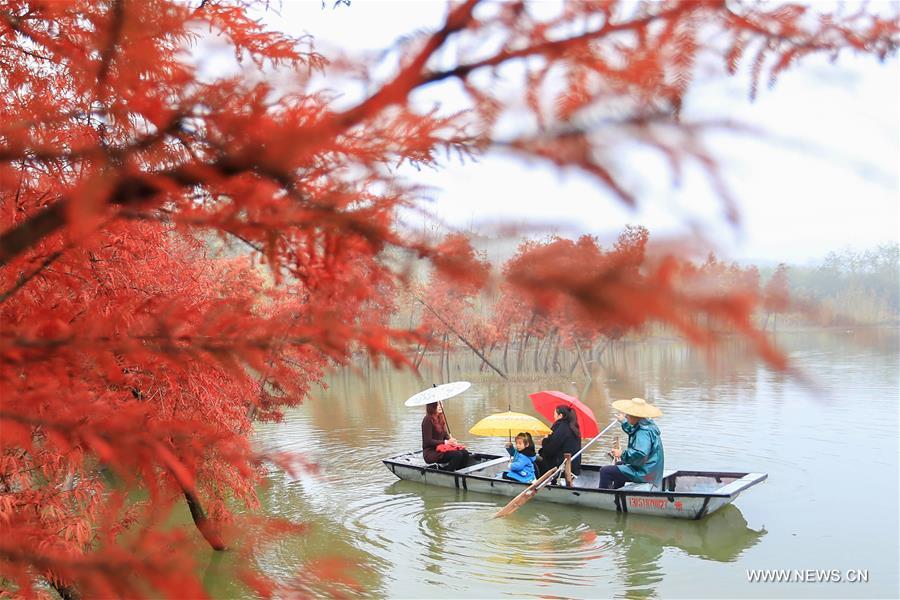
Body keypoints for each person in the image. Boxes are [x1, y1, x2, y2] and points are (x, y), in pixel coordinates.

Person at [599, 397, 664, 490]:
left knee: (605, 471)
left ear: (635, 416)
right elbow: (633, 430)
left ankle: (603, 496)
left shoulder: (643, 432)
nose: (626, 416)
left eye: (628, 415)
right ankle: (617, 491)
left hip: (646, 473)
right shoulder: (647, 425)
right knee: (619, 465)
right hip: (651, 469)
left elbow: (641, 454)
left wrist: (622, 453)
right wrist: (623, 422)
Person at [536, 405, 582, 478]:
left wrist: (544, 441)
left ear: (560, 415)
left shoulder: (560, 427)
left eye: (554, 414)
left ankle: (538, 482)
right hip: (574, 466)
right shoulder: (574, 428)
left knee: (535, 460)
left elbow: (550, 450)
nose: (554, 416)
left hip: (561, 467)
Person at [421, 402, 470, 471]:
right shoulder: (427, 420)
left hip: (442, 448)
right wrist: (446, 442)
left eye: (441, 404)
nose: (440, 406)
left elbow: (445, 435)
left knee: (465, 453)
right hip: (432, 452)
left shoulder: (440, 418)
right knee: (457, 455)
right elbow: (428, 441)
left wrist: (451, 440)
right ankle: (448, 473)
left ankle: (461, 473)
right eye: (437, 405)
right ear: (431, 406)